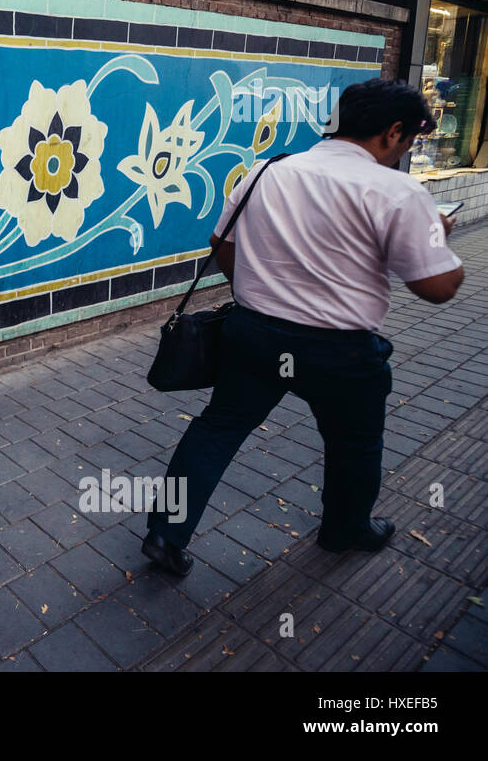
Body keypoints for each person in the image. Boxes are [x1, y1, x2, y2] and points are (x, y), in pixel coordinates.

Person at [141, 78, 466, 576]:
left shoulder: (266, 171)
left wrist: (258, 293)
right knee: (354, 443)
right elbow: (438, 288)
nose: (407, 148)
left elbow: (220, 241)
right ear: (393, 131)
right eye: (412, 137)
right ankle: (345, 530)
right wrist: (438, 237)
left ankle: (166, 534)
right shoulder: (400, 192)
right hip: (343, 353)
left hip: (254, 336)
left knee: (218, 429)